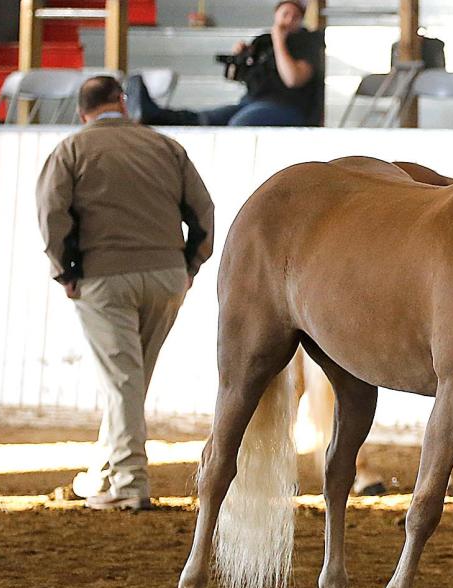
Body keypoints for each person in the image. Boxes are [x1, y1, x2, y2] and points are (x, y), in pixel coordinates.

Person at [36, 76, 214, 510]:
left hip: (105, 277)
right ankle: (103, 473)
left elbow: (52, 215)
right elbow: (203, 211)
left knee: (123, 383)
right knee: (130, 382)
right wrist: (190, 264)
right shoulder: (165, 147)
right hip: (167, 278)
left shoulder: (72, 150)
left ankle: (130, 484)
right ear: (122, 102)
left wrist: (65, 272)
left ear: (83, 113)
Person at [128, 0, 323, 127]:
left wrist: (279, 41)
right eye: (285, 14)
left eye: (294, 16)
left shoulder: (307, 42)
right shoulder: (263, 42)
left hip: (287, 107)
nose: (288, 20)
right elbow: (234, 77)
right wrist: (238, 58)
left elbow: (293, 79)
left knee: (240, 124)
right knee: (206, 119)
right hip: (252, 100)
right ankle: (152, 115)